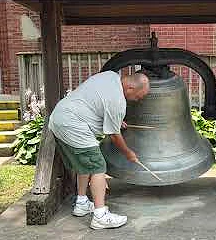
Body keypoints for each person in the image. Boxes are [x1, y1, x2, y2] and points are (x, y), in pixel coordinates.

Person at [48, 71, 150, 229]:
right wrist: (128, 153)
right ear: (130, 87)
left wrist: (115, 120)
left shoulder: (110, 76)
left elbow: (97, 102)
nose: (138, 100)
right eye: (138, 96)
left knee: (87, 163)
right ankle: (100, 216)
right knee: (97, 165)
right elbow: (114, 135)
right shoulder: (117, 102)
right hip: (73, 124)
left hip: (60, 117)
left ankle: (81, 203)